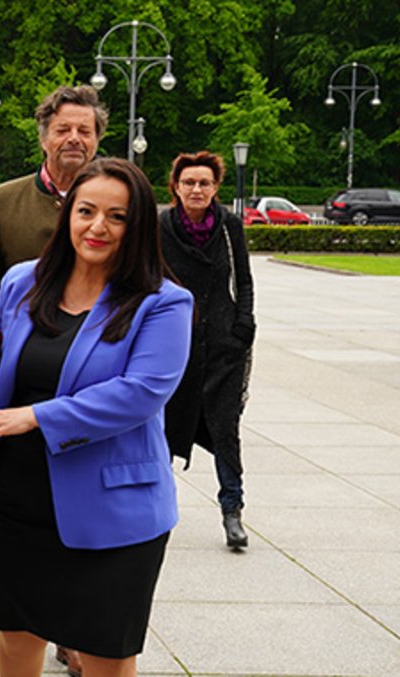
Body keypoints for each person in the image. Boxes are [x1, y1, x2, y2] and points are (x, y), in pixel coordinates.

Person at [0, 158, 192, 677]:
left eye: (117, 216)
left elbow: (140, 392)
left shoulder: (163, 302)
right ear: (68, 214)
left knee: (103, 653)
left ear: (137, 227)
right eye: (86, 211)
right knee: (18, 634)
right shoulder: (23, 282)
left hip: (114, 506)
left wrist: (37, 417)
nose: (97, 227)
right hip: (20, 496)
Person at [158, 151, 256, 550]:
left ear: (216, 188)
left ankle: (232, 510)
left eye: (204, 183)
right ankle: (156, 507)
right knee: (163, 427)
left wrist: (243, 325)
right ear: (176, 188)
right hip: (175, 341)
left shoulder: (229, 226)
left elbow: (244, 279)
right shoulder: (161, 226)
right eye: (189, 183)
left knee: (225, 428)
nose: (196, 189)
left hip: (221, 343)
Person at [0, 85, 107, 303]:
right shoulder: (2, 202)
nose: (74, 138)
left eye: (84, 131)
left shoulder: (117, 203)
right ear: (43, 140)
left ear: (96, 140)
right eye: (62, 130)